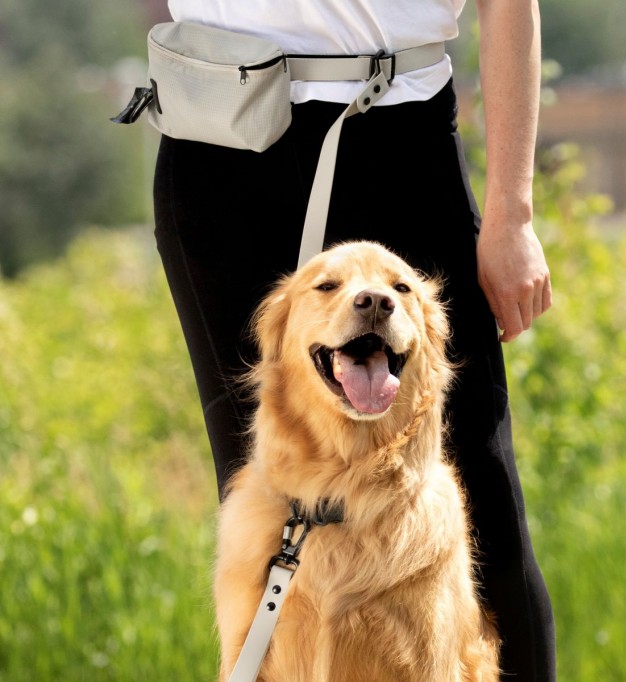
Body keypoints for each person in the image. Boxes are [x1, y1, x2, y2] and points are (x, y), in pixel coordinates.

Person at [152, 1, 556, 679]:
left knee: (477, 483)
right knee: (267, 500)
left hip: (401, 140)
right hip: (220, 144)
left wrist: (512, 214)